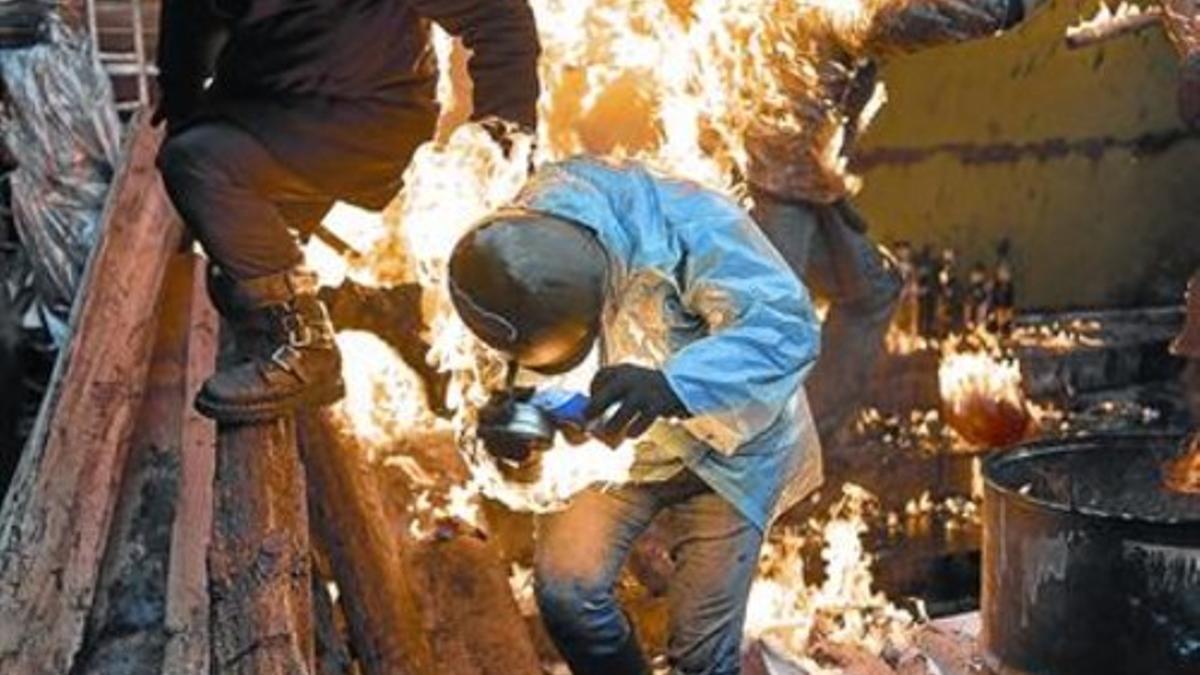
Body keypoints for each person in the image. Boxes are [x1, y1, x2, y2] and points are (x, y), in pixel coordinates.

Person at [447, 156, 823, 675]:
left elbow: (787, 329)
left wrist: (675, 386)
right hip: (622, 454)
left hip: (737, 451)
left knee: (702, 656)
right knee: (568, 595)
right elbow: (518, 396)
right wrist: (521, 451)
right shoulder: (512, 262)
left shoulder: (692, 225)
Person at [154, 0, 540, 422]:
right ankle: (395, 316)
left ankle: (307, 350)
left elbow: (498, 16)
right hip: (268, 108)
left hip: (366, 117)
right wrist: (181, 102)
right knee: (233, 280)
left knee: (197, 163)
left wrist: (505, 139)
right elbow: (190, 25)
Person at [745, 0, 1049, 447]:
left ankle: (799, 442)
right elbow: (898, 20)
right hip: (772, 183)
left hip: (805, 174)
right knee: (761, 340)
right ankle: (741, 466)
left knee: (873, 291)